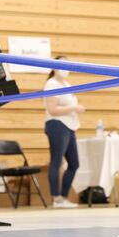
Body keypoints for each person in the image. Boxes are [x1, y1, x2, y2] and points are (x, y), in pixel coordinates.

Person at [43, 56, 83, 208]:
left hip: (70, 126)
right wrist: (74, 108)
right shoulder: (51, 84)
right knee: (56, 161)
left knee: (74, 163)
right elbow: (52, 110)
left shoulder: (66, 84)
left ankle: (64, 197)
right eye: (62, 65)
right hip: (57, 124)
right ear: (54, 67)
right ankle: (56, 199)